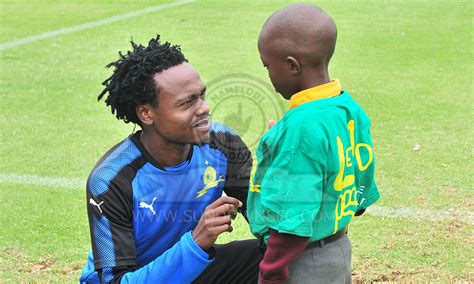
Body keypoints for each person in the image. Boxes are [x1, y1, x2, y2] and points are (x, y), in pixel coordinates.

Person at [79, 35, 262, 283]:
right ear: (146, 113)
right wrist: (196, 242)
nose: (204, 108)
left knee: (271, 257)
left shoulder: (222, 143)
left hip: (190, 270)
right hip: (141, 276)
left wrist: (281, 180)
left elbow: (265, 221)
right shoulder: (111, 180)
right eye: (187, 103)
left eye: (201, 96)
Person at [247, 4, 380, 283]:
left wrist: (271, 272)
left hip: (301, 260)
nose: (269, 75)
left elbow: (292, 214)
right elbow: (362, 169)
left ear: (292, 65)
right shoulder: (348, 107)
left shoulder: (301, 126)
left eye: (268, 66)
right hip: (338, 249)